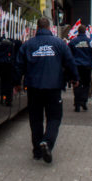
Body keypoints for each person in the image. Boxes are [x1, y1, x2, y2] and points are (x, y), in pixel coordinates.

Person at [14, 17, 79, 164]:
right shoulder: (59, 44)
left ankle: (37, 151)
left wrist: (16, 82)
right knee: (54, 118)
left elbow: (19, 65)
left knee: (35, 119)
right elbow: (70, 62)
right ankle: (47, 142)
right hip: (53, 87)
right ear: (49, 28)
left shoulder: (28, 45)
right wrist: (75, 78)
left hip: (33, 87)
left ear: (37, 28)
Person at [68, 24, 92, 112]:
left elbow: (69, 55)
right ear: (85, 31)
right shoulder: (90, 41)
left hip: (76, 66)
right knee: (86, 84)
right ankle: (84, 101)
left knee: (76, 84)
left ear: (78, 31)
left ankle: (77, 103)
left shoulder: (73, 42)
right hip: (87, 66)